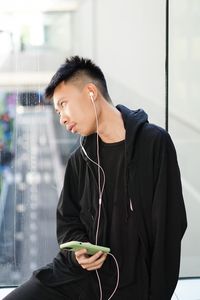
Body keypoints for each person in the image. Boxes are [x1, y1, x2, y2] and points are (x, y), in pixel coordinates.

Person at [4, 56, 187, 300]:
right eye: (57, 111)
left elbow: (169, 229)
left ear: (91, 92)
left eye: (64, 104)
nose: (62, 118)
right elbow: (67, 221)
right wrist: (78, 249)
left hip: (133, 285)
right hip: (79, 277)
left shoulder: (154, 143)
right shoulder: (79, 159)